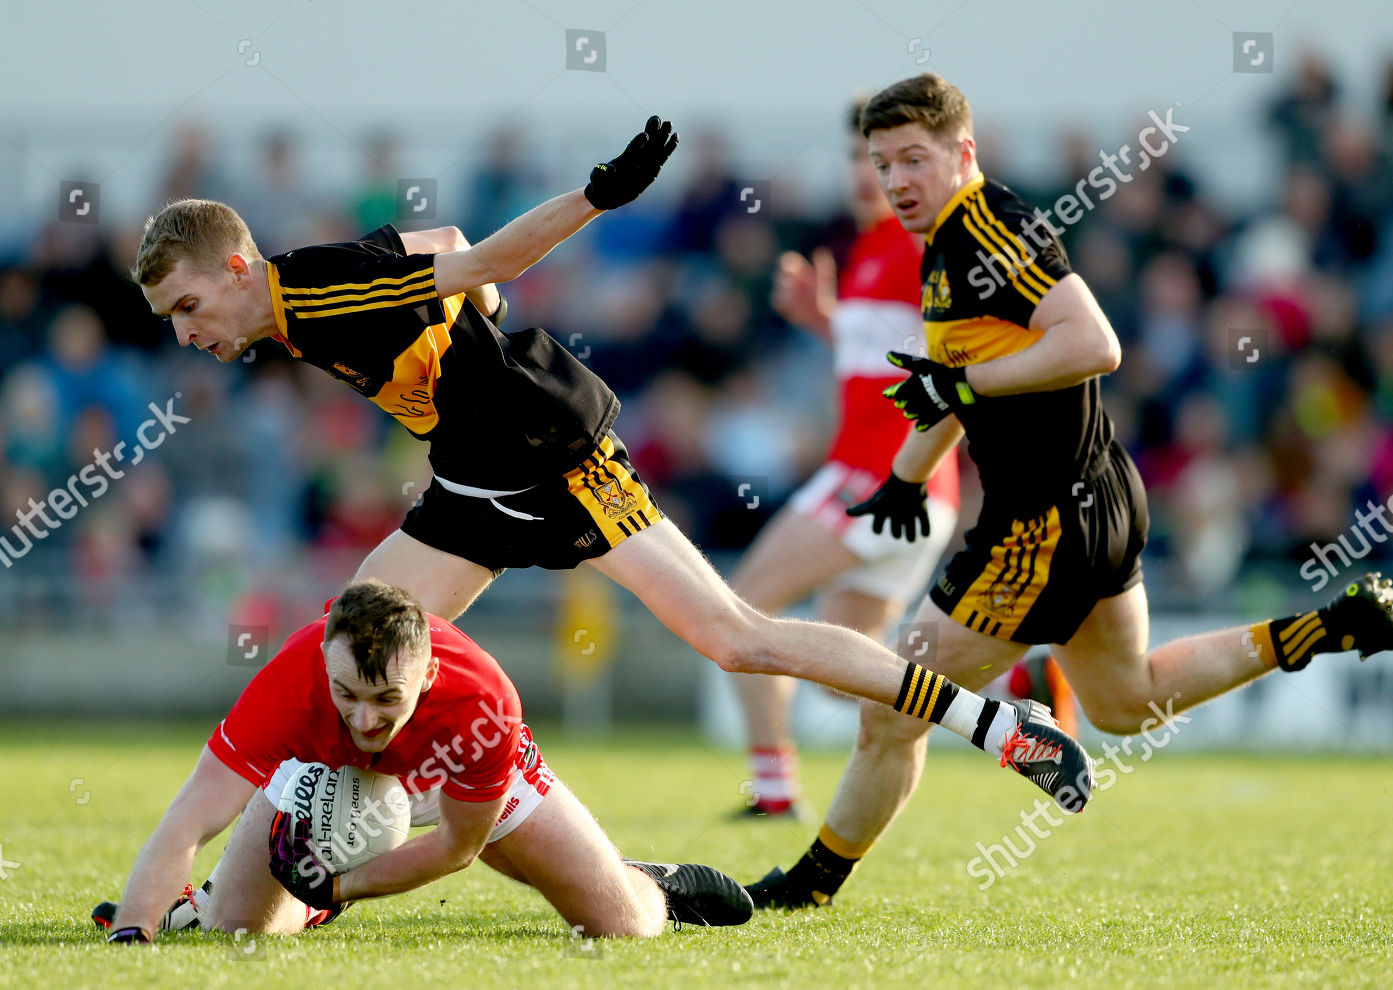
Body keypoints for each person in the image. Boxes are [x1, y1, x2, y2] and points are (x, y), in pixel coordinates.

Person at [132, 117, 1094, 815]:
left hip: (556, 457)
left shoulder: (322, 291)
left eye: (186, 308)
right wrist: (476, 332)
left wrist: (592, 200)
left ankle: (999, 728)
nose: (184, 335)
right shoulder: (293, 303)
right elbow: (449, 244)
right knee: (348, 643)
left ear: (235, 269)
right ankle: (292, 858)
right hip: (470, 481)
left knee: (737, 638)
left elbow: (484, 259)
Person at [748, 73, 1393, 909]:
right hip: (1095, 499)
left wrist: (962, 387)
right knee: (1129, 702)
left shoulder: (985, 230)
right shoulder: (945, 243)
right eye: (881, 163)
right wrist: (905, 479)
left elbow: (1094, 342)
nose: (895, 180)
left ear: (962, 153)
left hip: (1043, 523)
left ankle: (811, 885)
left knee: (894, 707)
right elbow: (952, 386)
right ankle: (1332, 625)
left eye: (912, 159)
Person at [728, 98, 1076, 818]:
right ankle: (1011, 691)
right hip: (909, 491)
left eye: (885, 161)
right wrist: (824, 322)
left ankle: (773, 791)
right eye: (860, 158)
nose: (869, 174)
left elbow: (959, 356)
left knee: (740, 611)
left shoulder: (921, 247)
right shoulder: (865, 253)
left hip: (881, 477)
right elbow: (894, 362)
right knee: (847, 675)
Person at [94, 579, 754, 943]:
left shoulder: (484, 705)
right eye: (347, 694)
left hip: (451, 769)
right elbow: (190, 818)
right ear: (324, 662)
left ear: (429, 675)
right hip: (329, 775)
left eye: (386, 699)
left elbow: (456, 848)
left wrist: (342, 883)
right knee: (239, 929)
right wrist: (133, 933)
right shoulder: (291, 682)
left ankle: (644, 881)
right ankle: (244, 905)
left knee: (622, 928)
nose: (364, 720)